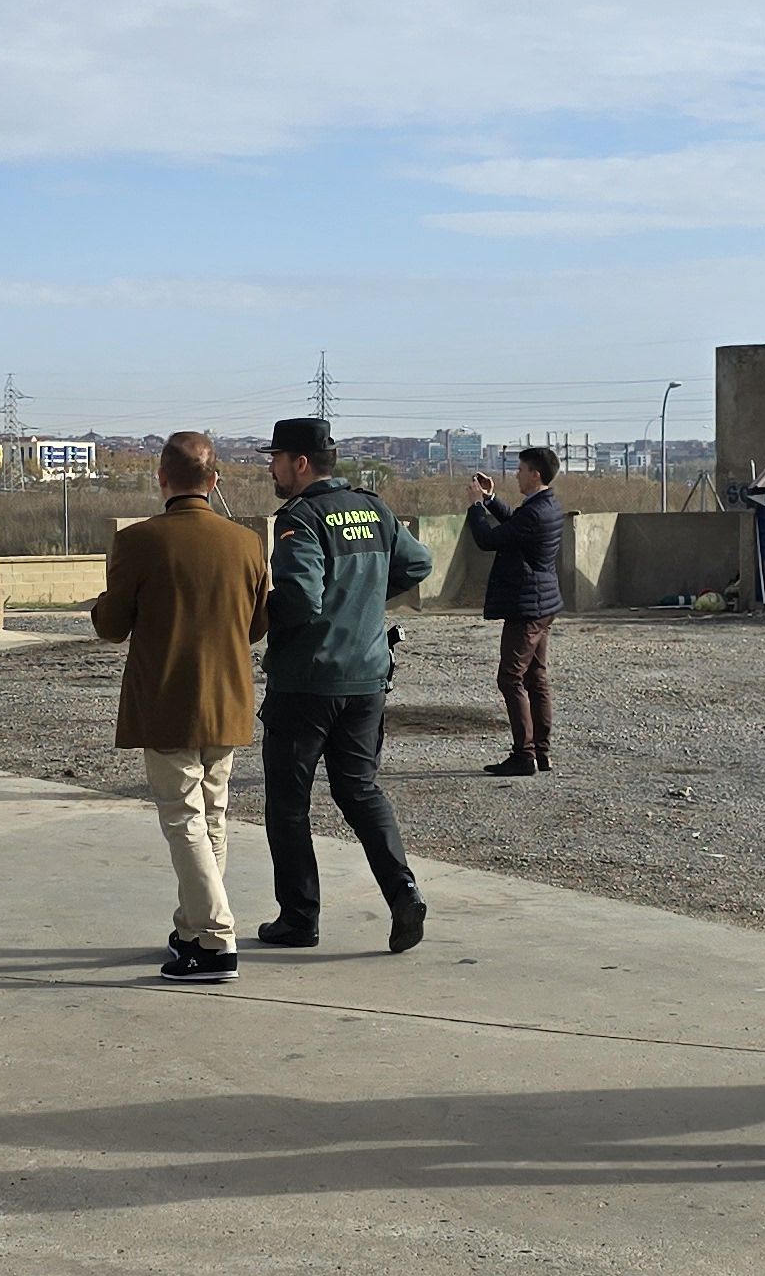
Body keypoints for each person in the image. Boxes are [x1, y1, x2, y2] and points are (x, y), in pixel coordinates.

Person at [88, 432, 269, 981]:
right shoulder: (247, 543)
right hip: (229, 699)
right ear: (214, 482)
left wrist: (103, 605)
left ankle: (215, 940)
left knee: (182, 816)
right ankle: (191, 926)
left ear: (161, 479)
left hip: (169, 699)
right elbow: (258, 625)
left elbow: (112, 626)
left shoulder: (142, 540)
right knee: (211, 815)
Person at [255, 416, 437, 953]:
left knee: (288, 803)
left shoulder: (301, 518)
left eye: (276, 459)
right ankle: (403, 891)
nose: (271, 468)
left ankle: (299, 918)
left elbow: (300, 599)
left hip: (306, 683)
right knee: (358, 789)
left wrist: (256, 612)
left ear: (300, 463)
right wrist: (363, 601)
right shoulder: (373, 508)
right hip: (366, 678)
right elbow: (418, 563)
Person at [464, 446, 566, 776]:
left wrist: (476, 506)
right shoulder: (546, 505)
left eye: (521, 470)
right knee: (535, 677)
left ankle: (524, 755)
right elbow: (515, 525)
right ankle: (541, 752)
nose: (517, 475)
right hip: (543, 603)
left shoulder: (536, 512)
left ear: (535, 474)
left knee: (510, 678)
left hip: (528, 607)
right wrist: (492, 500)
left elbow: (488, 539)